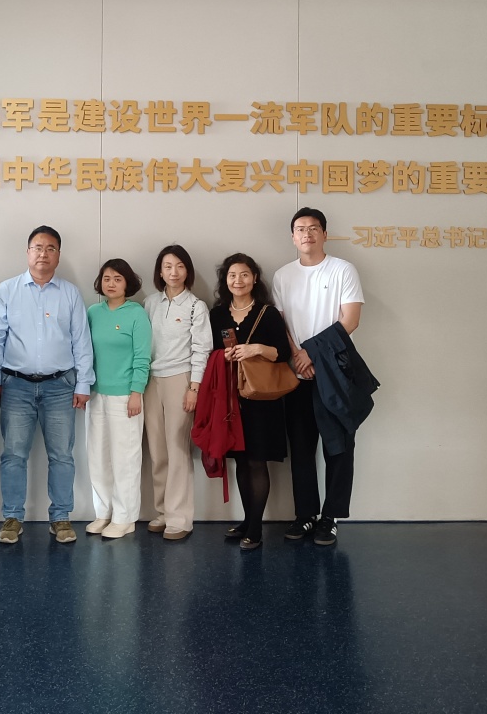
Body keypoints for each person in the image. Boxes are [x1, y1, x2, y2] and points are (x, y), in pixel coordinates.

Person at [0, 225, 95, 545]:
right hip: (15, 386)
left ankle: (60, 517)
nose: (43, 254)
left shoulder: (70, 293)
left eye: (50, 248)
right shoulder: (7, 290)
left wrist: (83, 383)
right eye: (37, 247)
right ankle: (12, 517)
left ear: (58, 255)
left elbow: (81, 341)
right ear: (27, 252)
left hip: (60, 386)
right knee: (13, 454)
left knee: (62, 455)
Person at [271, 207, 365, 546]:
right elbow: (281, 324)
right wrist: (298, 357)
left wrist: (310, 353)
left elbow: (350, 320)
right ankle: (306, 515)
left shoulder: (343, 269)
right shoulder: (283, 275)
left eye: (313, 228)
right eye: (300, 229)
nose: (307, 233)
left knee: (338, 447)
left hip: (335, 371)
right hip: (296, 373)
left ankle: (330, 517)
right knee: (301, 448)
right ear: (293, 237)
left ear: (324, 234)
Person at [208, 253, 291, 551]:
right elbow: (210, 351)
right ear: (225, 280)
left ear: (254, 278)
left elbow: (282, 353)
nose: (238, 280)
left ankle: (255, 529)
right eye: (232, 275)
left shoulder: (268, 313)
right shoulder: (218, 314)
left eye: (244, 274)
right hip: (231, 396)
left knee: (257, 460)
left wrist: (256, 348)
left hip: (261, 397)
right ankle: (247, 520)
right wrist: (224, 355)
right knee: (241, 461)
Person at [142, 244, 211, 541]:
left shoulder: (196, 306)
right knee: (157, 451)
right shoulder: (149, 303)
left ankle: (180, 518)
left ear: (188, 271)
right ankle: (162, 511)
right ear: (160, 271)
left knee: (178, 450)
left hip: (181, 379)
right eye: (168, 266)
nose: (174, 272)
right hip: (151, 380)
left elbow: (202, 349)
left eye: (180, 266)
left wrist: (194, 387)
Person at [85, 259, 151, 540]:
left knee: (125, 459)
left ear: (128, 283)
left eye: (117, 279)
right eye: (106, 278)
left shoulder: (136, 314)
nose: (111, 284)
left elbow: (142, 357)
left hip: (126, 396)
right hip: (95, 394)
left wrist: (136, 392)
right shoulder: (93, 312)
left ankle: (125, 518)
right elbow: (84, 352)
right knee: (98, 457)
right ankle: (103, 513)